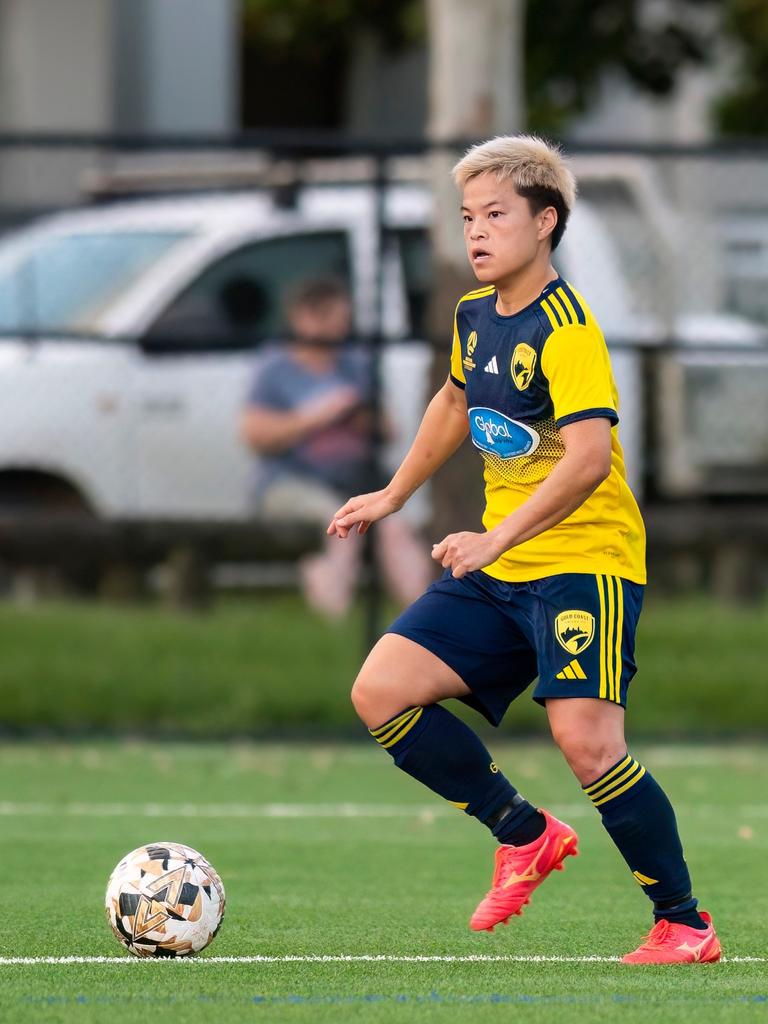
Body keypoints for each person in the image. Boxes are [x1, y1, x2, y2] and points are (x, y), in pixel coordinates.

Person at [328, 136, 720, 965]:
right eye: (467, 216)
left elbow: (585, 460)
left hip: (586, 561)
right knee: (381, 691)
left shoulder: (568, 330)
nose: (476, 232)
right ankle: (524, 832)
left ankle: (684, 923)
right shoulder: (475, 316)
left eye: (496, 215)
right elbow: (453, 399)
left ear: (545, 223)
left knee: (588, 746)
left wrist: (495, 535)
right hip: (501, 566)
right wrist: (395, 493)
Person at [241, 277, 431, 618]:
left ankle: (422, 618)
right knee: (341, 525)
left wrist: (354, 413)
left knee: (394, 530)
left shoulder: (354, 363)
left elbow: (388, 429)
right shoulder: (275, 368)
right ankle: (332, 621)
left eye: (343, 320)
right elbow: (255, 436)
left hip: (357, 478)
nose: (341, 329)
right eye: (331, 320)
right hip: (293, 480)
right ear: (303, 318)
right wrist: (315, 416)